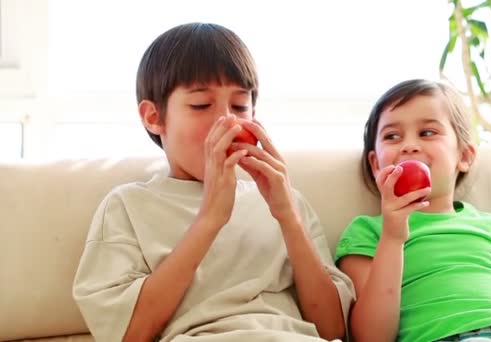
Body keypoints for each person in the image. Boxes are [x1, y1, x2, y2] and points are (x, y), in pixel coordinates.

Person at [72, 22, 354, 342]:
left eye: (239, 106)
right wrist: (210, 220)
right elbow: (128, 334)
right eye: (201, 105)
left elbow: (334, 330)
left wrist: (288, 217)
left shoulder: (288, 203)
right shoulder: (127, 206)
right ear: (154, 117)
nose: (228, 121)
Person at [334, 79, 491, 342]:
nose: (409, 145)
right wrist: (393, 236)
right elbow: (371, 338)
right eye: (392, 136)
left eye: (428, 132)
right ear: (375, 164)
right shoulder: (368, 232)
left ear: (464, 156)